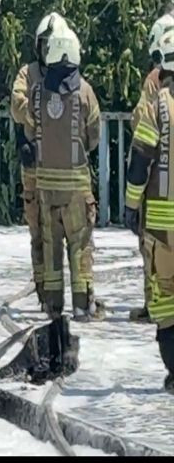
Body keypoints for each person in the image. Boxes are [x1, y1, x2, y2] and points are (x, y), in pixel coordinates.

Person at [22, 22, 103, 321]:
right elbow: (94, 136)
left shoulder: (36, 93)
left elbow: (31, 130)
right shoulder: (85, 92)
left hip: (45, 187)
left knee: (51, 246)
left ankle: (52, 306)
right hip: (76, 190)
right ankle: (82, 305)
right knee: (80, 246)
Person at [124, 27, 174, 393]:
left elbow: (141, 160)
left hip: (162, 226)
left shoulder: (156, 105)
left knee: (167, 304)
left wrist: (130, 204)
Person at [11, 12, 68, 309]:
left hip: (62, 167)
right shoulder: (28, 73)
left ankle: (75, 296)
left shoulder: (70, 76)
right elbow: (16, 105)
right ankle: (44, 293)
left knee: (68, 232)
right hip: (35, 166)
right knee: (38, 233)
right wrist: (40, 112)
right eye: (45, 44)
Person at [129, 11, 174, 322]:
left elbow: (142, 138)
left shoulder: (154, 87)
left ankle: (154, 308)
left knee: (155, 261)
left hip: (159, 202)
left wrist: (131, 204)